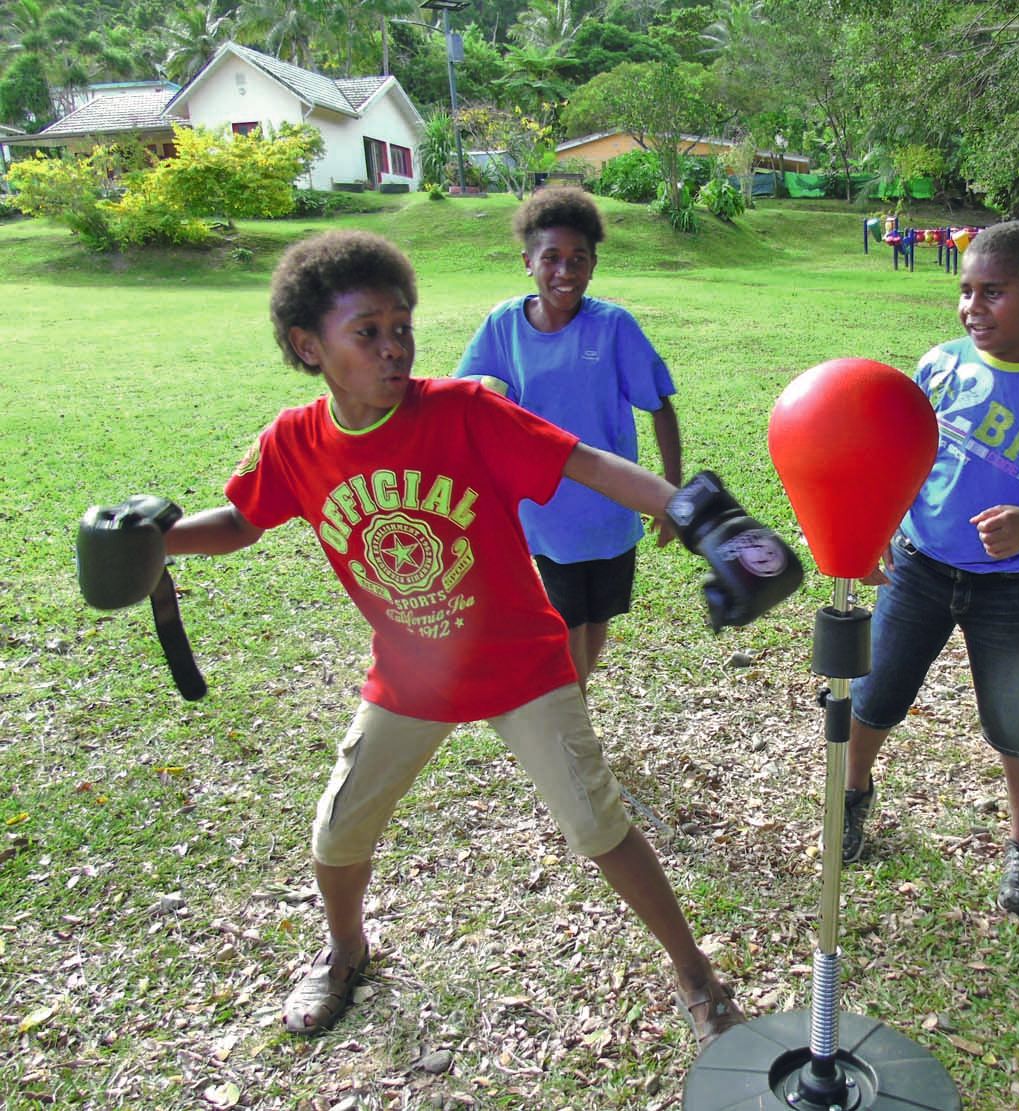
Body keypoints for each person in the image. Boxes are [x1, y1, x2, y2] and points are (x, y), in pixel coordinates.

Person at [145, 229, 774, 1045]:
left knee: (599, 826)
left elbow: (585, 462)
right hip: (411, 675)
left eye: (402, 327)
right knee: (338, 832)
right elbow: (240, 520)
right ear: (309, 346)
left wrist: (698, 516)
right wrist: (158, 541)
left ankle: (694, 970)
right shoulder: (294, 443)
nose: (393, 348)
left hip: (522, 665)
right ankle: (345, 949)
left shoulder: (463, 413)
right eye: (365, 332)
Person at [842, 220, 1019, 918]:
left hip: (1011, 587)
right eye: (965, 291)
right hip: (919, 568)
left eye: (992, 292)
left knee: (1017, 721)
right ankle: (851, 795)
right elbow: (899, 452)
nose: (972, 307)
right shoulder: (937, 365)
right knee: (874, 697)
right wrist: (877, 524)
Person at [454, 186, 680, 694]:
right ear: (527, 261)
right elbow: (464, 397)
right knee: (564, 624)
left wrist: (670, 493)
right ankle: (571, 725)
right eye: (551, 258)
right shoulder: (505, 324)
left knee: (597, 618)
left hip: (610, 509)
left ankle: (574, 708)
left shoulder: (614, 327)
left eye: (578, 259)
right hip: (543, 509)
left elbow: (660, 405)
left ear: (594, 265)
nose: (565, 271)